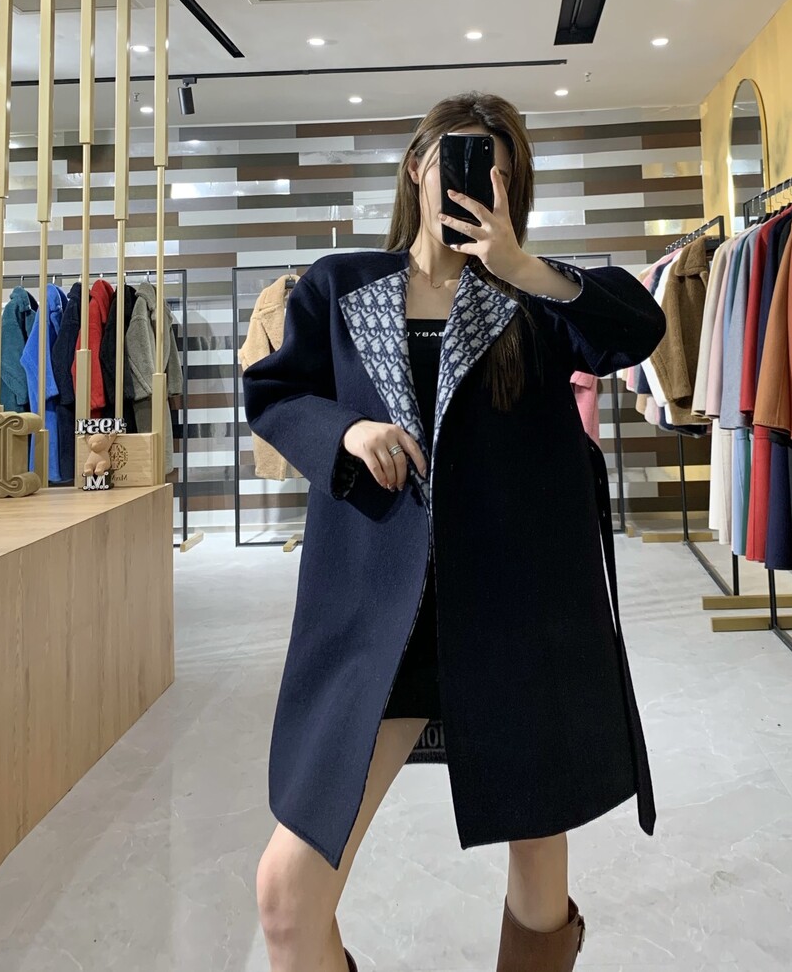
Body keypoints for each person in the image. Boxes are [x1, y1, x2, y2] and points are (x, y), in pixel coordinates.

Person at [243, 92, 665, 972]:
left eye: (498, 169)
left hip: (519, 622)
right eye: (459, 159)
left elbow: (640, 327)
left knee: (539, 877)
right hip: (377, 624)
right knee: (285, 895)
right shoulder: (340, 286)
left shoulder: (538, 300)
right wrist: (346, 433)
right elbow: (275, 395)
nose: (476, 181)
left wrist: (521, 266)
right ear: (416, 167)